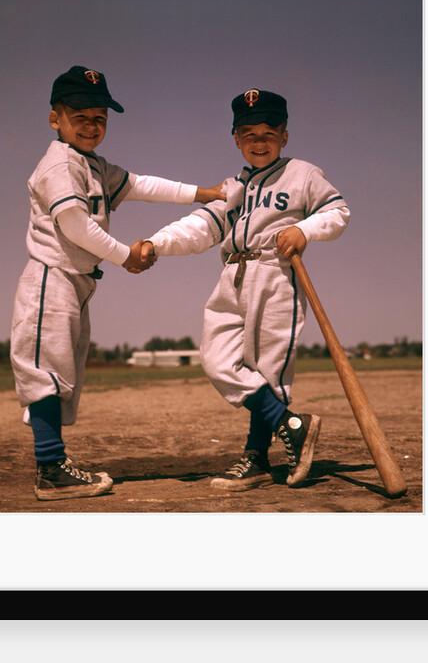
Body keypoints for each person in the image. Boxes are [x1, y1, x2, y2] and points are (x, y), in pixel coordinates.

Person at [10, 65, 225, 501]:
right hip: (51, 278)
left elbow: (141, 184)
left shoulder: (90, 164)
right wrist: (125, 254)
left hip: (76, 283)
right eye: (80, 116)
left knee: (61, 371)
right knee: (45, 372)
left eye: (100, 118)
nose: (91, 125)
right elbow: (74, 225)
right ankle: (51, 470)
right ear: (56, 119)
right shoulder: (58, 165)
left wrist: (203, 192)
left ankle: (54, 464)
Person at [139, 88, 350, 491]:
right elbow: (201, 226)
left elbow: (337, 211)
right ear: (235, 138)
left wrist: (304, 229)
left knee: (268, 370)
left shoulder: (303, 173)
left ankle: (254, 458)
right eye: (248, 133)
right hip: (232, 273)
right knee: (217, 360)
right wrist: (156, 243)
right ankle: (292, 426)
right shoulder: (234, 187)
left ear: (284, 136)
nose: (258, 141)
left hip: (275, 274)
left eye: (268, 132)